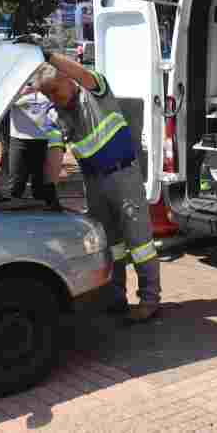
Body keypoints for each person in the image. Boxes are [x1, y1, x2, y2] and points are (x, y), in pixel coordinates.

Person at [20, 36, 161, 323]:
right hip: (94, 183)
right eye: (48, 96)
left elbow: (81, 73)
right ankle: (116, 296)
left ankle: (150, 300)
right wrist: (49, 190)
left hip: (123, 176)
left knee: (140, 243)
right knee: (112, 244)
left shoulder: (95, 91)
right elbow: (55, 154)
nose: (54, 99)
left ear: (66, 79)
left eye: (56, 91)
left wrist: (46, 55)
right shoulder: (57, 115)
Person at [8, 79, 59, 208]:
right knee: (16, 184)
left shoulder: (48, 86)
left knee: (41, 186)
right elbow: (2, 104)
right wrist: (22, 92)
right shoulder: (15, 85)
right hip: (19, 140)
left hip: (44, 140)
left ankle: (47, 216)